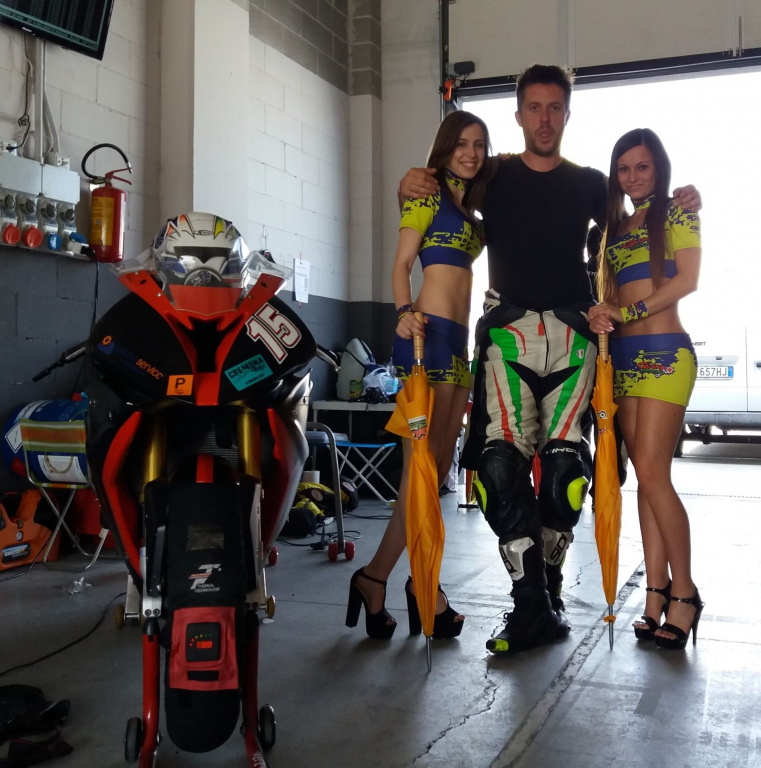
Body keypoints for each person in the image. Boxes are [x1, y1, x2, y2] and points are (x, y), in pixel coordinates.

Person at [399, 64, 702, 654]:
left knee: (565, 473)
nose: (544, 119)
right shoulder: (493, 173)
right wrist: (412, 180)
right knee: (497, 470)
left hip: (575, 334)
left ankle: (556, 595)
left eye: (555, 108)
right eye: (533, 108)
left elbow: (641, 219)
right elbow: (444, 184)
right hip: (507, 333)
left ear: (567, 114)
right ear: (518, 115)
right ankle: (531, 604)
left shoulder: (592, 183)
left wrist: (685, 196)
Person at [345, 111, 492, 640]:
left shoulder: (473, 209)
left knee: (437, 472)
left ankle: (386, 579)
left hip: (459, 343)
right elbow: (401, 264)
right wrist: (403, 311)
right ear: (445, 148)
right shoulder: (425, 196)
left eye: (479, 145)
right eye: (462, 144)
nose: (470, 153)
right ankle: (416, 586)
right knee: (419, 471)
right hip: (424, 338)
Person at [588, 128, 704, 651]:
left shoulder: (678, 212)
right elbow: (610, 296)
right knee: (643, 478)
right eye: (624, 168)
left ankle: (686, 592)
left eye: (642, 167)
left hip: (665, 355)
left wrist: (627, 311)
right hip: (625, 362)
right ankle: (655, 591)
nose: (632, 176)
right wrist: (603, 313)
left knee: (655, 476)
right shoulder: (615, 229)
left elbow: (687, 281)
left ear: (659, 169)